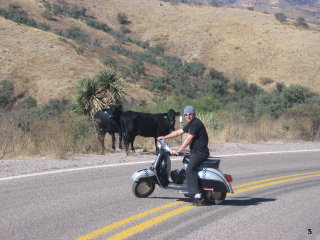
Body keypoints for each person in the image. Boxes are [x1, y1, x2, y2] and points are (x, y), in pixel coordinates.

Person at [157, 106, 209, 206]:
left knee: (190, 170)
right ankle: (189, 186)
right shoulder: (191, 124)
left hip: (200, 153)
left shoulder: (196, 124)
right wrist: (164, 137)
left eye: (190, 114)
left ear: (194, 114)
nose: (188, 116)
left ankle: (198, 196)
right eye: (186, 114)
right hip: (196, 152)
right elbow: (178, 132)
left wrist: (178, 150)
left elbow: (188, 139)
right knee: (186, 163)